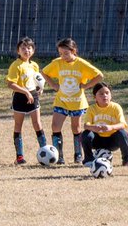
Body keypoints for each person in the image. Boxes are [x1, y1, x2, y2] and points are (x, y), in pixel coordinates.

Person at [41, 38, 103, 164]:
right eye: (60, 53)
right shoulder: (57, 63)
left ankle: (78, 154)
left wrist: (86, 86)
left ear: (73, 51)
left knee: (76, 128)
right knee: (55, 126)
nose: (62, 56)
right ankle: (59, 156)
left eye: (65, 53)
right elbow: (44, 72)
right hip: (61, 101)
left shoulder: (81, 64)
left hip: (77, 102)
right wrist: (53, 85)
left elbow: (99, 75)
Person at [6, 36, 47, 165]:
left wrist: (39, 89)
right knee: (18, 125)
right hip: (19, 97)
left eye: (29, 48)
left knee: (37, 124)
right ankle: (19, 157)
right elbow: (11, 84)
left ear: (33, 51)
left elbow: (36, 80)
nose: (26, 50)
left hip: (33, 96)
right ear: (18, 51)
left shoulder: (34, 65)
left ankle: (45, 151)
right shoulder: (16, 65)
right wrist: (25, 92)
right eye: (23, 48)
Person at [81, 82, 128, 167]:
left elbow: (122, 124)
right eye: (101, 94)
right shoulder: (91, 109)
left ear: (111, 95)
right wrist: (94, 127)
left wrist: (111, 127)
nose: (105, 96)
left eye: (107, 93)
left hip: (112, 141)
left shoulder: (116, 107)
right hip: (97, 140)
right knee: (85, 134)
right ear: (95, 97)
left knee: (123, 133)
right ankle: (88, 160)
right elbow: (86, 125)